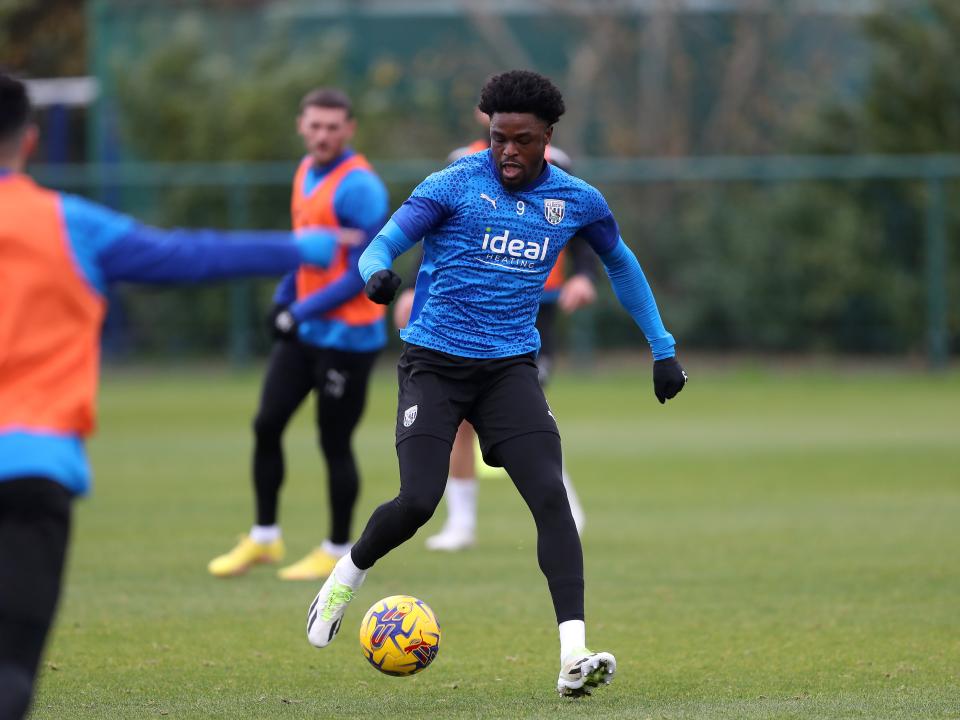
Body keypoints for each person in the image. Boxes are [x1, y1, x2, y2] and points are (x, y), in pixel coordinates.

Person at [304, 70, 687, 697]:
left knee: (549, 497)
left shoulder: (577, 199)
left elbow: (623, 265)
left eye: (522, 140)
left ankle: (573, 654)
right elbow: (379, 248)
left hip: (510, 369)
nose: (507, 151)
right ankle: (345, 575)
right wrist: (376, 278)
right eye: (498, 137)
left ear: (548, 137)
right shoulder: (451, 185)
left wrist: (662, 349)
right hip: (434, 364)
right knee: (417, 502)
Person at [0, 73, 344, 720]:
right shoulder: (67, 222)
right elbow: (188, 256)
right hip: (32, 470)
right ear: (31, 141)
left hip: (34, 469)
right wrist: (298, 247)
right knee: (10, 669)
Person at [394, 110, 598, 552]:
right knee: (459, 418)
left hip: (530, 303)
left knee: (526, 412)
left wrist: (584, 275)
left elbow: (583, 227)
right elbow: (436, 231)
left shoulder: (553, 161)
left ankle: (564, 506)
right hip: (463, 306)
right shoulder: (460, 163)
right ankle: (461, 523)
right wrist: (412, 288)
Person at [207, 88, 389, 581]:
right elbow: (303, 252)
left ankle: (336, 548)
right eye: (315, 125)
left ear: (349, 129)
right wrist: (284, 300)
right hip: (306, 330)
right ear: (301, 126)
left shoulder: (361, 188)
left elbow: (362, 271)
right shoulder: (305, 172)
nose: (323, 134)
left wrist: (299, 309)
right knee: (267, 424)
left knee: (334, 442)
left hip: (348, 338)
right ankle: (264, 538)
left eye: (333, 127)